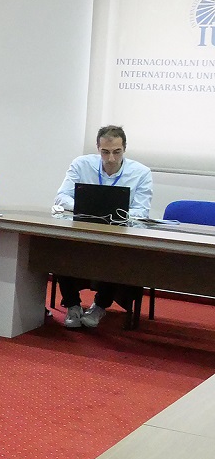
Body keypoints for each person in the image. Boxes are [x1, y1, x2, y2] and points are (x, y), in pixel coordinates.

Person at [52, 124, 153, 328]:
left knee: (116, 255)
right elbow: (61, 197)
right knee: (60, 249)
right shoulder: (81, 164)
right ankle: (72, 305)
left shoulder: (141, 173)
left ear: (125, 148)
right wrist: (87, 207)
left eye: (117, 152)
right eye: (105, 152)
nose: (111, 158)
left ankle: (99, 307)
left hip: (118, 234)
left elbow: (142, 212)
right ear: (98, 148)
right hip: (82, 230)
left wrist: (111, 213)